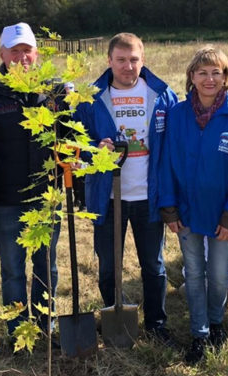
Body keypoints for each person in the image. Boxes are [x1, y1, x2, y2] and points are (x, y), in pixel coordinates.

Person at [73, 33, 178, 345]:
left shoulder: (161, 95)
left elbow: (173, 142)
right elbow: (78, 142)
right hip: (107, 197)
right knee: (108, 266)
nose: (128, 66)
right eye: (121, 60)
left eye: (134, 59)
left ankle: (157, 324)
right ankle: (112, 318)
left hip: (149, 195)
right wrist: (96, 147)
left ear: (142, 59)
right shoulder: (91, 98)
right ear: (109, 61)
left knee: (153, 265)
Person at [0, 23, 60, 337]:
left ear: (36, 53)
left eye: (27, 50)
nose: (22, 57)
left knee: (47, 266)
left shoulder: (55, 90)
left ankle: (46, 322)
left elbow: (72, 136)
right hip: (5, 199)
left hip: (48, 197)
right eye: (14, 51)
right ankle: (18, 328)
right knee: (13, 269)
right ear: (2, 54)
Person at [159, 46, 228, 363]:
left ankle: (216, 322)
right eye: (202, 72)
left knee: (218, 274)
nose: (209, 78)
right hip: (186, 213)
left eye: (216, 72)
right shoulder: (178, 115)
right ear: (191, 77)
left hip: (222, 216)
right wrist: (169, 207)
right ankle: (200, 332)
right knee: (194, 275)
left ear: (226, 78)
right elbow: (167, 162)